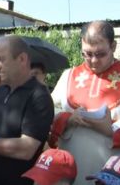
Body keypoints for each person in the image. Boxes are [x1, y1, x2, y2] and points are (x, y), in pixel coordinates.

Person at [49, 20, 120, 185]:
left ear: (114, 46)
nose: (93, 61)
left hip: (110, 166)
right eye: (87, 54)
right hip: (70, 162)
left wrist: (111, 130)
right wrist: (67, 118)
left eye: (100, 54)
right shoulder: (69, 76)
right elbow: (48, 109)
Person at [0, 35, 54, 185]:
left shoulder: (39, 96)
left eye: (1, 59)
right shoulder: (0, 91)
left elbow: (26, 149)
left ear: (22, 59)